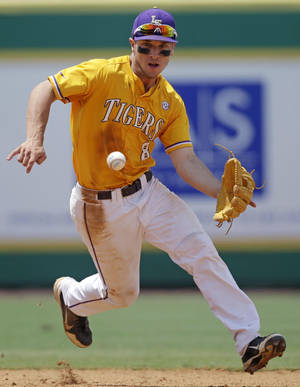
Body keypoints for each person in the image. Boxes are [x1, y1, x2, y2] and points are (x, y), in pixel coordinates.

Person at [7, 7, 286, 374]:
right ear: (132, 45)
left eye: (164, 49)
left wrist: (221, 191)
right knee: (123, 294)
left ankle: (248, 340)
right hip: (99, 206)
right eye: (147, 46)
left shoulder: (170, 101)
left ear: (172, 51)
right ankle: (73, 299)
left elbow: (186, 162)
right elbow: (44, 88)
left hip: (148, 192)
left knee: (201, 252)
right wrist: (34, 138)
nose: (155, 55)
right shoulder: (101, 74)